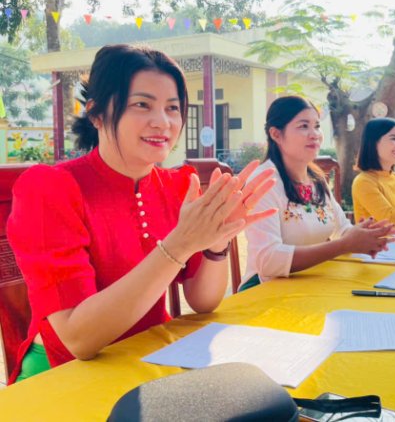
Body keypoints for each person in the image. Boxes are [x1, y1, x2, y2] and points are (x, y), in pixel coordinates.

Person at [6, 44, 276, 383]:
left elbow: (203, 300)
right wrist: (178, 245)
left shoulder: (178, 186)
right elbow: (78, 339)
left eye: (172, 108)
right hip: (64, 372)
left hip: (147, 355)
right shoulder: (50, 189)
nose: (162, 122)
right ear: (96, 114)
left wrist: (217, 242)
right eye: (142, 105)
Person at [239, 96, 395, 291]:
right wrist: (344, 245)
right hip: (264, 290)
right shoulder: (262, 182)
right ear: (276, 134)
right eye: (304, 126)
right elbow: (268, 261)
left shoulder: (316, 179)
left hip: (311, 282)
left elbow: (342, 228)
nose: (315, 134)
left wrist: (362, 236)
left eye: (317, 126)